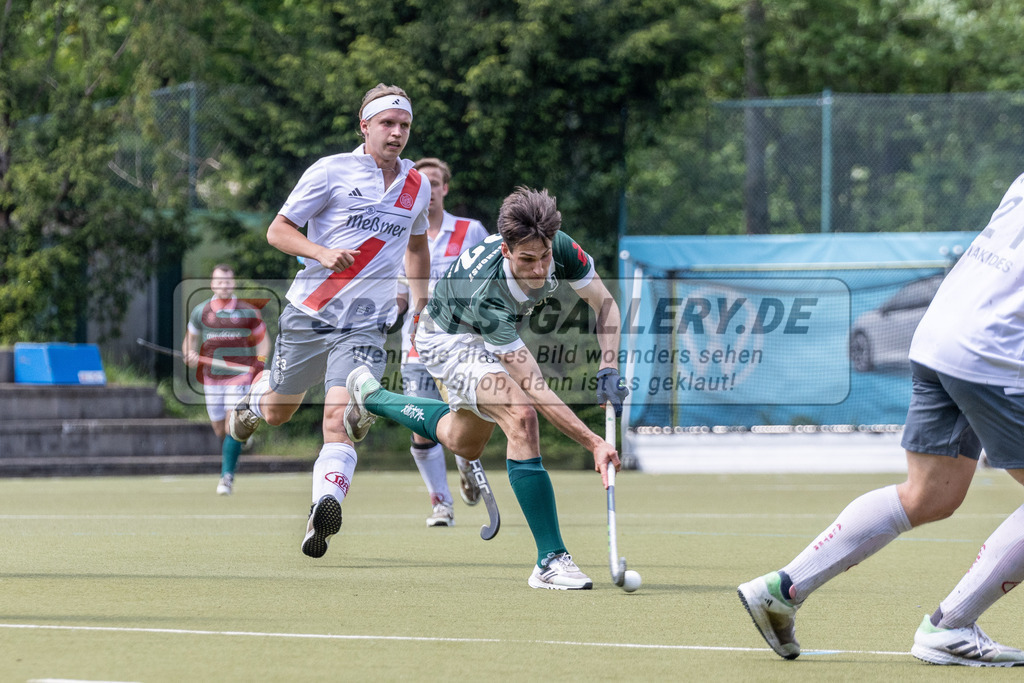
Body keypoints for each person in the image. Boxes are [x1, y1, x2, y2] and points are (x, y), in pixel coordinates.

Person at [738, 173, 1024, 667]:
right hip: (993, 348)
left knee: (928, 493)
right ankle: (950, 627)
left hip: (942, 331)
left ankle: (783, 588)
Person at [344, 186, 630, 589]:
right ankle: (550, 559)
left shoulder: (559, 245)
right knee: (521, 414)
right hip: (447, 337)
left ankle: (372, 396)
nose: (540, 270)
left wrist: (609, 366)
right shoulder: (488, 293)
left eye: (545, 256)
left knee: (464, 442)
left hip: (489, 335)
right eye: (527, 260)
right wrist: (594, 443)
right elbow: (534, 386)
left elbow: (604, 304)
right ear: (506, 252)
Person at [228, 83, 431, 558]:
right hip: (310, 312)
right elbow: (278, 230)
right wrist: (320, 252)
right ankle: (254, 401)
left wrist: (419, 305)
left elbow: (418, 248)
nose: (397, 133)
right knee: (280, 411)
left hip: (365, 324)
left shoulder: (417, 185)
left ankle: (325, 506)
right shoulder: (330, 171)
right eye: (388, 123)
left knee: (337, 418)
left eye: (404, 125)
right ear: (365, 125)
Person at [394, 157, 491, 527]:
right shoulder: (401, 233)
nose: (429, 191)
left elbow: (491, 283)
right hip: (417, 346)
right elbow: (398, 292)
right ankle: (441, 503)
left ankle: (466, 460)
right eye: (422, 183)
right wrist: (390, 312)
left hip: (463, 348)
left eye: (435, 184)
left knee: (466, 419)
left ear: (445, 188)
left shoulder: (471, 230)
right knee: (420, 425)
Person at [182, 264, 270, 495]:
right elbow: (189, 339)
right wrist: (189, 355)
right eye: (219, 281)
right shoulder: (201, 311)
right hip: (212, 378)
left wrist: (259, 363)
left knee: (232, 426)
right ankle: (242, 439)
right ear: (212, 284)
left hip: (239, 376)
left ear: (233, 284)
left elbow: (263, 340)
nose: (224, 285)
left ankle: (226, 478)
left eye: (228, 281)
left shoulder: (247, 311)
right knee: (219, 429)